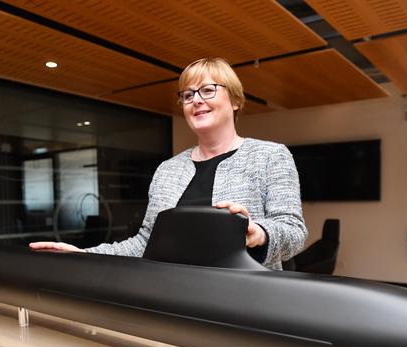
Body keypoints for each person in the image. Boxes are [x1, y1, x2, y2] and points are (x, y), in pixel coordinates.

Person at [30, 58, 307, 270]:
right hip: (176, 299)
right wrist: (83, 255)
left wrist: (258, 233)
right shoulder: (168, 169)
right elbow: (144, 243)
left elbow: (294, 233)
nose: (195, 100)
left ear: (235, 100)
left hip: (247, 306)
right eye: (187, 95)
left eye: (207, 90)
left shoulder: (270, 156)